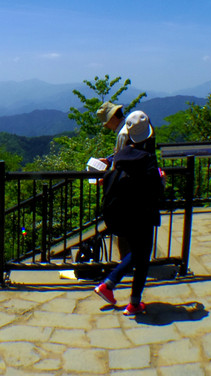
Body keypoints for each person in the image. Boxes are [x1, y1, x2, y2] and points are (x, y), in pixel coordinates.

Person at [92, 111, 162, 315]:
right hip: (143, 214)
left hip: (123, 213)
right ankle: (127, 298)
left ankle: (113, 287)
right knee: (142, 255)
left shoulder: (121, 156)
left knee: (139, 253)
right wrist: (162, 179)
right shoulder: (148, 159)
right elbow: (156, 190)